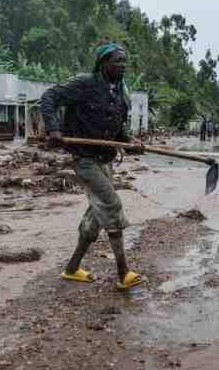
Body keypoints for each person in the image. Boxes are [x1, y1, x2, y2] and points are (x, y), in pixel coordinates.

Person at [40, 42, 143, 291]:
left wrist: (130, 143)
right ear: (103, 63)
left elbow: (119, 132)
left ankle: (72, 268)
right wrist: (54, 129)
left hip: (105, 160)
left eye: (124, 61)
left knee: (96, 216)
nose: (122, 65)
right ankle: (123, 273)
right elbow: (49, 97)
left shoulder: (120, 94)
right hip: (84, 159)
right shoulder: (84, 84)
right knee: (111, 204)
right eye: (117, 61)